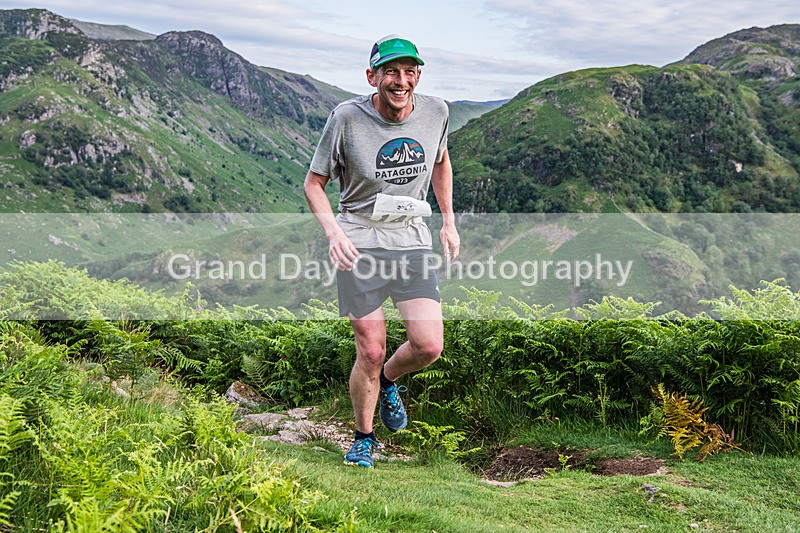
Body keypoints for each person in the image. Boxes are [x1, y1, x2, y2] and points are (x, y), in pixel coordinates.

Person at [303, 34, 460, 468]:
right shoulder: (346, 119)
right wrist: (334, 233)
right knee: (370, 348)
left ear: (418, 76)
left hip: (410, 238)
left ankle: (389, 380)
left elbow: (441, 160)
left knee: (428, 346)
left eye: (410, 71)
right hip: (360, 240)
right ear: (372, 76)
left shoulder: (436, 112)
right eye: (391, 71)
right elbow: (314, 183)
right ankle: (363, 439)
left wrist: (448, 220)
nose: (401, 80)